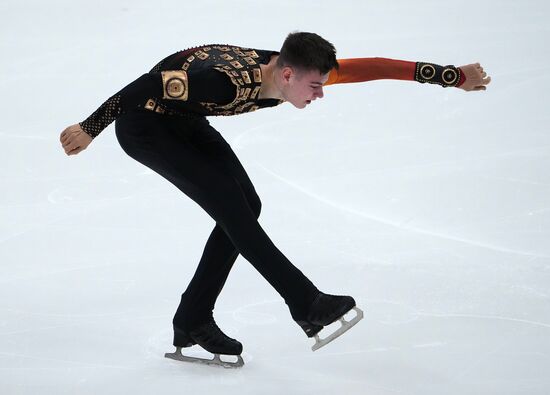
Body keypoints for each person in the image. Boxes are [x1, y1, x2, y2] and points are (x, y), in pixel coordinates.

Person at [59, 31, 491, 368]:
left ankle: (192, 320)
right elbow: (147, 85)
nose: (320, 93)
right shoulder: (225, 84)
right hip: (145, 126)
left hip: (184, 119)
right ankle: (306, 303)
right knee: (233, 209)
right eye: (315, 86)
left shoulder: (289, 67)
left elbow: (368, 67)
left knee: (247, 206)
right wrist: (90, 127)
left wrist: (448, 75)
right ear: (287, 75)